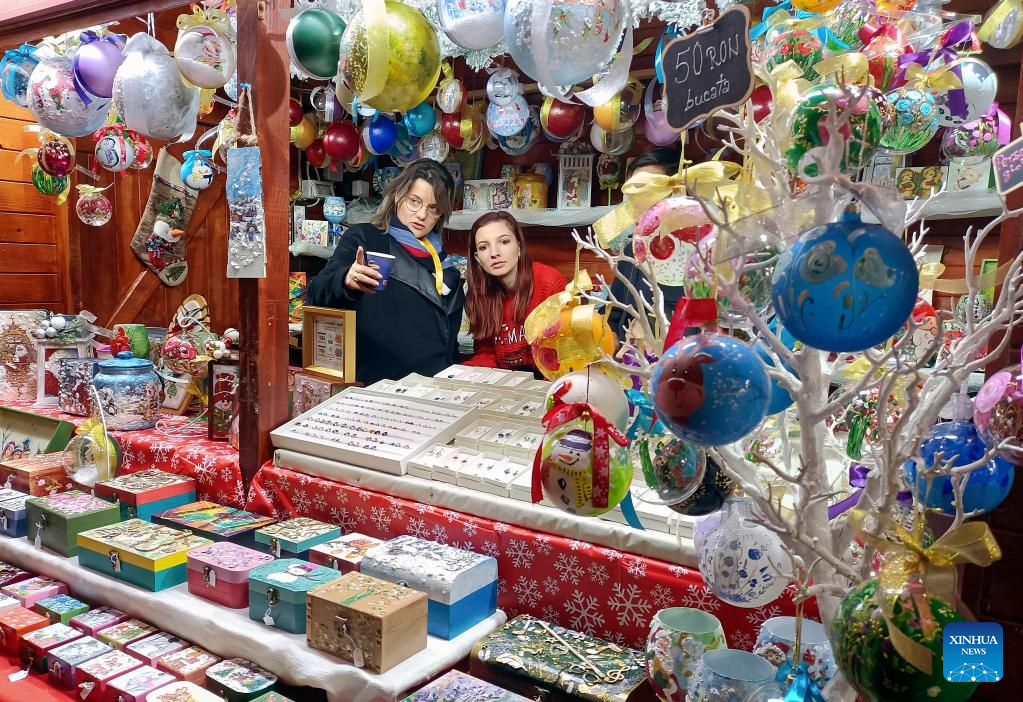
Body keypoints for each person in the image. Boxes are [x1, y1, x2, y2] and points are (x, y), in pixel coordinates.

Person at [307, 159, 462, 385]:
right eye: (415, 201)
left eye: (433, 208)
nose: (422, 215)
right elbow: (316, 293)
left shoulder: (444, 262)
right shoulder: (367, 239)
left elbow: (448, 338)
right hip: (377, 385)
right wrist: (346, 280)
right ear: (398, 196)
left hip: (432, 388)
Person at [462, 210, 567, 372]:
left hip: (549, 378)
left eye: (504, 242)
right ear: (478, 258)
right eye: (483, 247)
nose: (494, 253)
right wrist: (459, 376)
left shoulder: (549, 283)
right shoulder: (479, 294)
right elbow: (486, 354)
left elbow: (565, 356)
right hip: (508, 380)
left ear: (519, 246)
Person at [607, 147, 684, 343]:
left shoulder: (695, 254)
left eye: (650, 192)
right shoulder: (630, 250)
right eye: (634, 195)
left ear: (678, 193)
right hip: (627, 357)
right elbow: (614, 315)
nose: (639, 203)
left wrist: (646, 332)